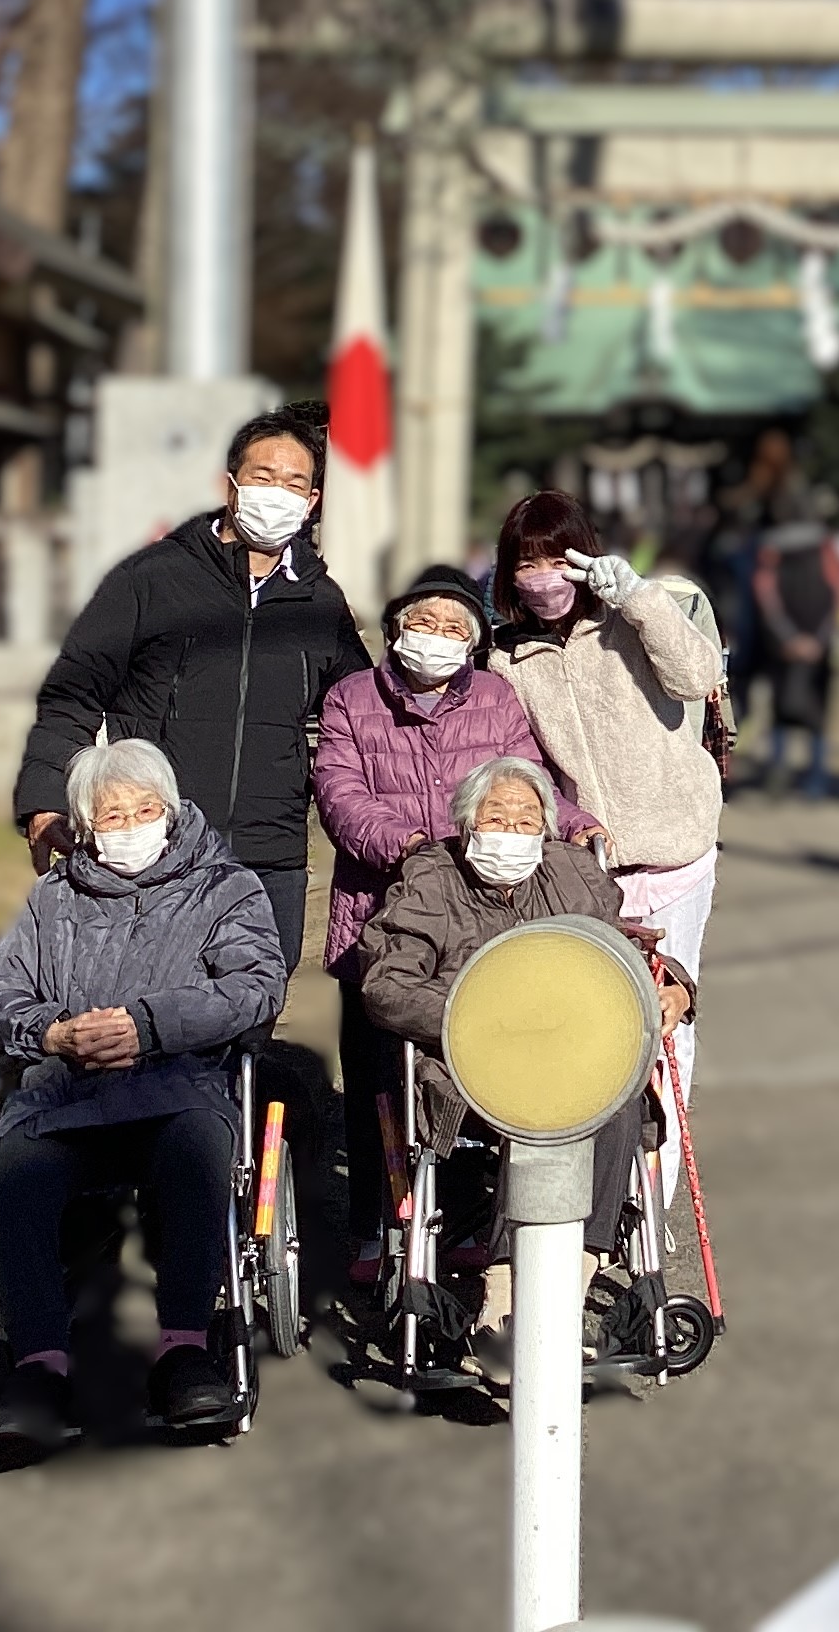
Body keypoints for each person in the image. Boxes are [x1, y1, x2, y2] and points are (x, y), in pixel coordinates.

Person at [0, 738, 288, 1458]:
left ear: (171, 813)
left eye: (147, 809)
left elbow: (254, 987)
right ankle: (39, 1363)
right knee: (16, 1172)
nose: (133, 823)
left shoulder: (225, 888)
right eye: (114, 813)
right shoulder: (54, 898)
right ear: (85, 825)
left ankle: (183, 1348)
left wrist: (146, 1026)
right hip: (64, 1095)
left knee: (198, 1152)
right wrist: (51, 1033)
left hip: (177, 1084)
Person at [12, 405, 368, 977]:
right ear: (229, 485)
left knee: (253, 1011)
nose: (276, 492)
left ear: (313, 502)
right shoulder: (152, 579)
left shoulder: (321, 603)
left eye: (294, 482)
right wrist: (44, 797)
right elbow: (73, 692)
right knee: (152, 1016)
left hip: (269, 852)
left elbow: (362, 716)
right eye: (262, 477)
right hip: (156, 841)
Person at [313, 562, 587, 1277]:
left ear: (474, 641)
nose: (436, 637)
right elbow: (340, 794)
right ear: (397, 626)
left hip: (473, 917)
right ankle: (376, 1226)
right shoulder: (351, 698)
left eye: (454, 627)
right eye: (424, 622)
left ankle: (464, 1216)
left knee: (466, 1067)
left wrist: (576, 825)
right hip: (378, 912)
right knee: (377, 1077)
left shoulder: (494, 699)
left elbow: (526, 776)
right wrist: (404, 844)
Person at [356, 758, 693, 1319]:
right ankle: (505, 1298)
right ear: (467, 826)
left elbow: (628, 952)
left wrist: (677, 988)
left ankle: (570, 1283)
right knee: (535, 1104)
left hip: (576, 1053)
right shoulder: (431, 880)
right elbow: (386, 986)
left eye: (526, 822)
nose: (510, 834)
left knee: (616, 1102)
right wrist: (480, 1016)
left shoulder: (572, 872)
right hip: (473, 1065)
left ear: (546, 830)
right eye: (496, 819)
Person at [490, 489, 723, 1194]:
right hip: (593, 867)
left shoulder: (627, 622)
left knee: (667, 1024)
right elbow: (524, 760)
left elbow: (699, 675)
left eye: (557, 558)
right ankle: (602, 1192)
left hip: (677, 851)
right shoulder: (510, 659)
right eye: (527, 563)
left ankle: (653, 1198)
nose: (543, 576)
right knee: (598, 1024)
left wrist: (638, 598)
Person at [752, 504, 839, 795]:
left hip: (784, 646)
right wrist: (819, 640)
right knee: (815, 712)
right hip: (817, 645)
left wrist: (788, 639)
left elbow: (766, 597)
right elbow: (838, 593)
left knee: (782, 708)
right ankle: (815, 779)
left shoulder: (771, 548)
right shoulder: (825, 546)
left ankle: (779, 773)